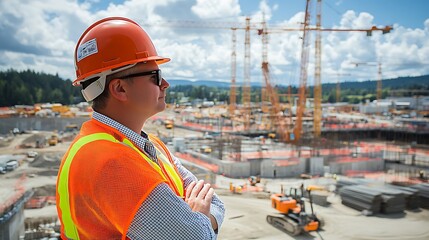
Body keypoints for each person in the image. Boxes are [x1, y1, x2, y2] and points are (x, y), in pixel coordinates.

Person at [56, 17, 225, 239]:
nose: (166, 84)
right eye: (155, 76)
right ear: (120, 88)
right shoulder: (111, 162)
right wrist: (196, 220)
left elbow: (216, 204)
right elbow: (196, 236)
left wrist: (199, 220)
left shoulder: (148, 145)